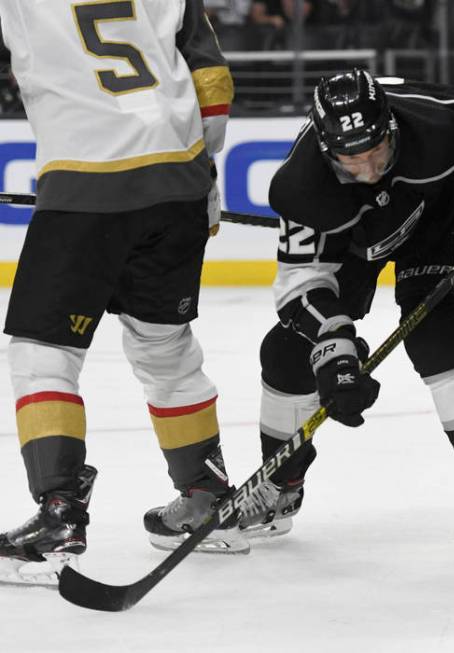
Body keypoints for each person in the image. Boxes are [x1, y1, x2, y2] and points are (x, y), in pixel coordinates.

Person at [239, 69, 454, 564]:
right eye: (350, 159)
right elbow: (300, 285)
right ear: (325, 150)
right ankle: (280, 484)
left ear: (391, 128)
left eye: (376, 151)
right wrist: (334, 346)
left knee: (435, 336)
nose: (367, 169)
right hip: (354, 239)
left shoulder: (440, 126)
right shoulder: (301, 187)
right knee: (286, 352)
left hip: (434, 215)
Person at [0, 0, 242, 586]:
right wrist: (205, 172)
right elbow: (212, 78)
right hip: (178, 181)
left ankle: (60, 514)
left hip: (86, 181)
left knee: (42, 353)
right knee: (164, 346)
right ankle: (207, 497)